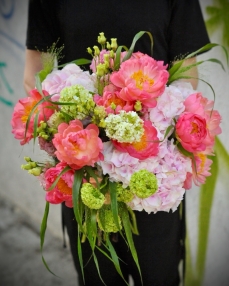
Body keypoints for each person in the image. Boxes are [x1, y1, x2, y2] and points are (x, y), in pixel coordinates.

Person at [23, 1, 210, 285]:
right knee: (98, 278)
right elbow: (35, 75)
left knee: (159, 276)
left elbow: (187, 76)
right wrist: (77, 132)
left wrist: (142, 131)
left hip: (154, 175)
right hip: (84, 177)